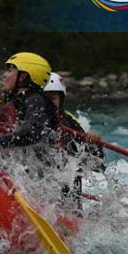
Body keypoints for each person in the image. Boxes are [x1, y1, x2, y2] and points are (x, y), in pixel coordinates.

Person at [41, 72, 106, 206]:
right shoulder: (25, 119)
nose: (47, 105)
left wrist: (93, 143)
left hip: (67, 201)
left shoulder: (69, 124)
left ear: (61, 100)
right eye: (43, 99)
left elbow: (98, 166)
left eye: (52, 99)